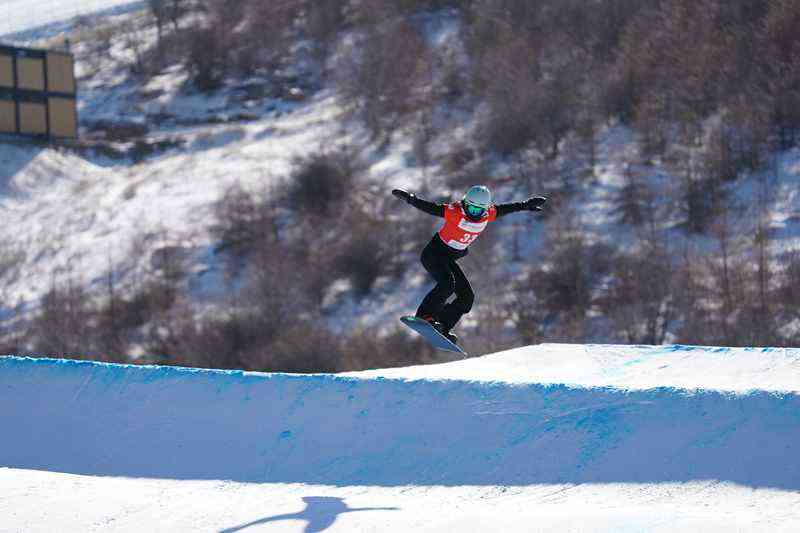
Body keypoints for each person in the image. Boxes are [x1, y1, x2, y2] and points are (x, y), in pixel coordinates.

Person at [392, 185, 547, 344]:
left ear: (485, 209)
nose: (474, 214)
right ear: (465, 204)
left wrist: (524, 205)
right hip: (433, 255)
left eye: (478, 211)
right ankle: (424, 316)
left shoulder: (487, 215)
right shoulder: (455, 212)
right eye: (471, 209)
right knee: (447, 284)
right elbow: (431, 208)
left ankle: (442, 327)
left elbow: (503, 209)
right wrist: (411, 199)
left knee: (467, 297)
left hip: (447, 259)